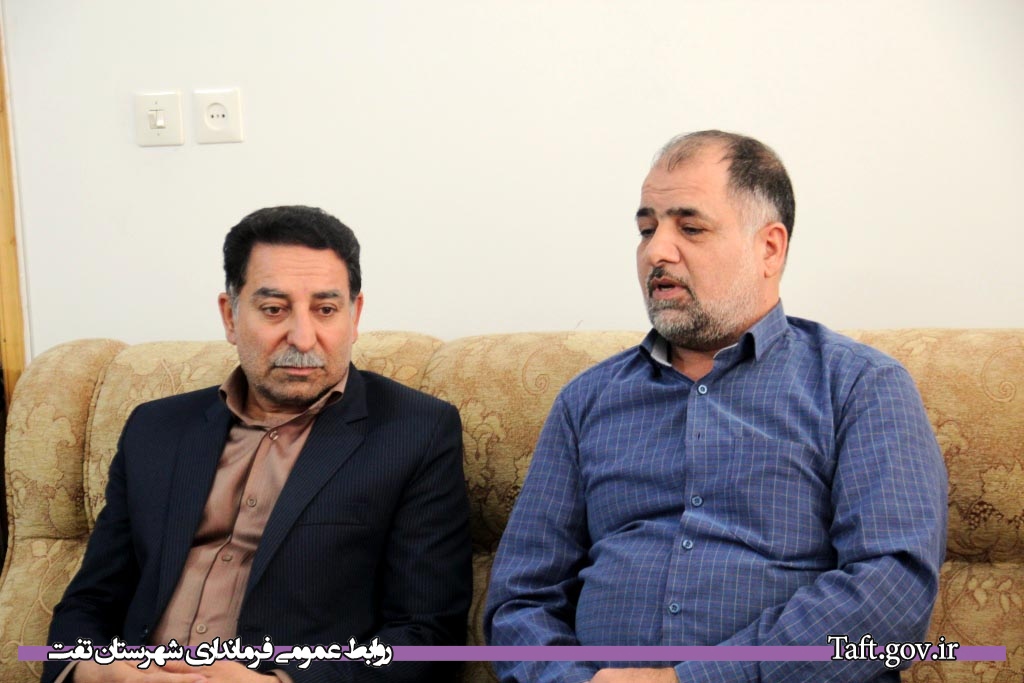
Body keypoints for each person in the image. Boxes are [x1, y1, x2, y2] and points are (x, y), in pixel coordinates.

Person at [484, 131, 948, 682]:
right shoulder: (587, 400)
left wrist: (698, 678)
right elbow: (519, 601)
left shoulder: (860, 387)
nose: (657, 251)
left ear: (769, 248)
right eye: (646, 229)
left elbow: (892, 590)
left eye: (691, 228)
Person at [44, 205, 472, 683]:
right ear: (230, 316)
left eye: (326, 310)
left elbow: (426, 634)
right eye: (274, 309)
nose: (303, 338)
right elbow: (91, 601)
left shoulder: (414, 433)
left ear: (354, 317)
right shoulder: (155, 428)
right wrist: (89, 672)